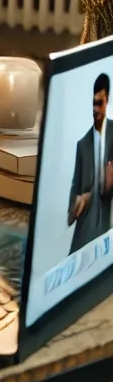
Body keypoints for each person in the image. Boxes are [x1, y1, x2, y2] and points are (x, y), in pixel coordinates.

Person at [68, 72, 113, 253]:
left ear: (107, 100)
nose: (96, 109)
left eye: (99, 103)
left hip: (107, 235)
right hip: (83, 240)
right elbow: (74, 188)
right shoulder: (82, 145)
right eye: (93, 103)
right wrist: (77, 203)